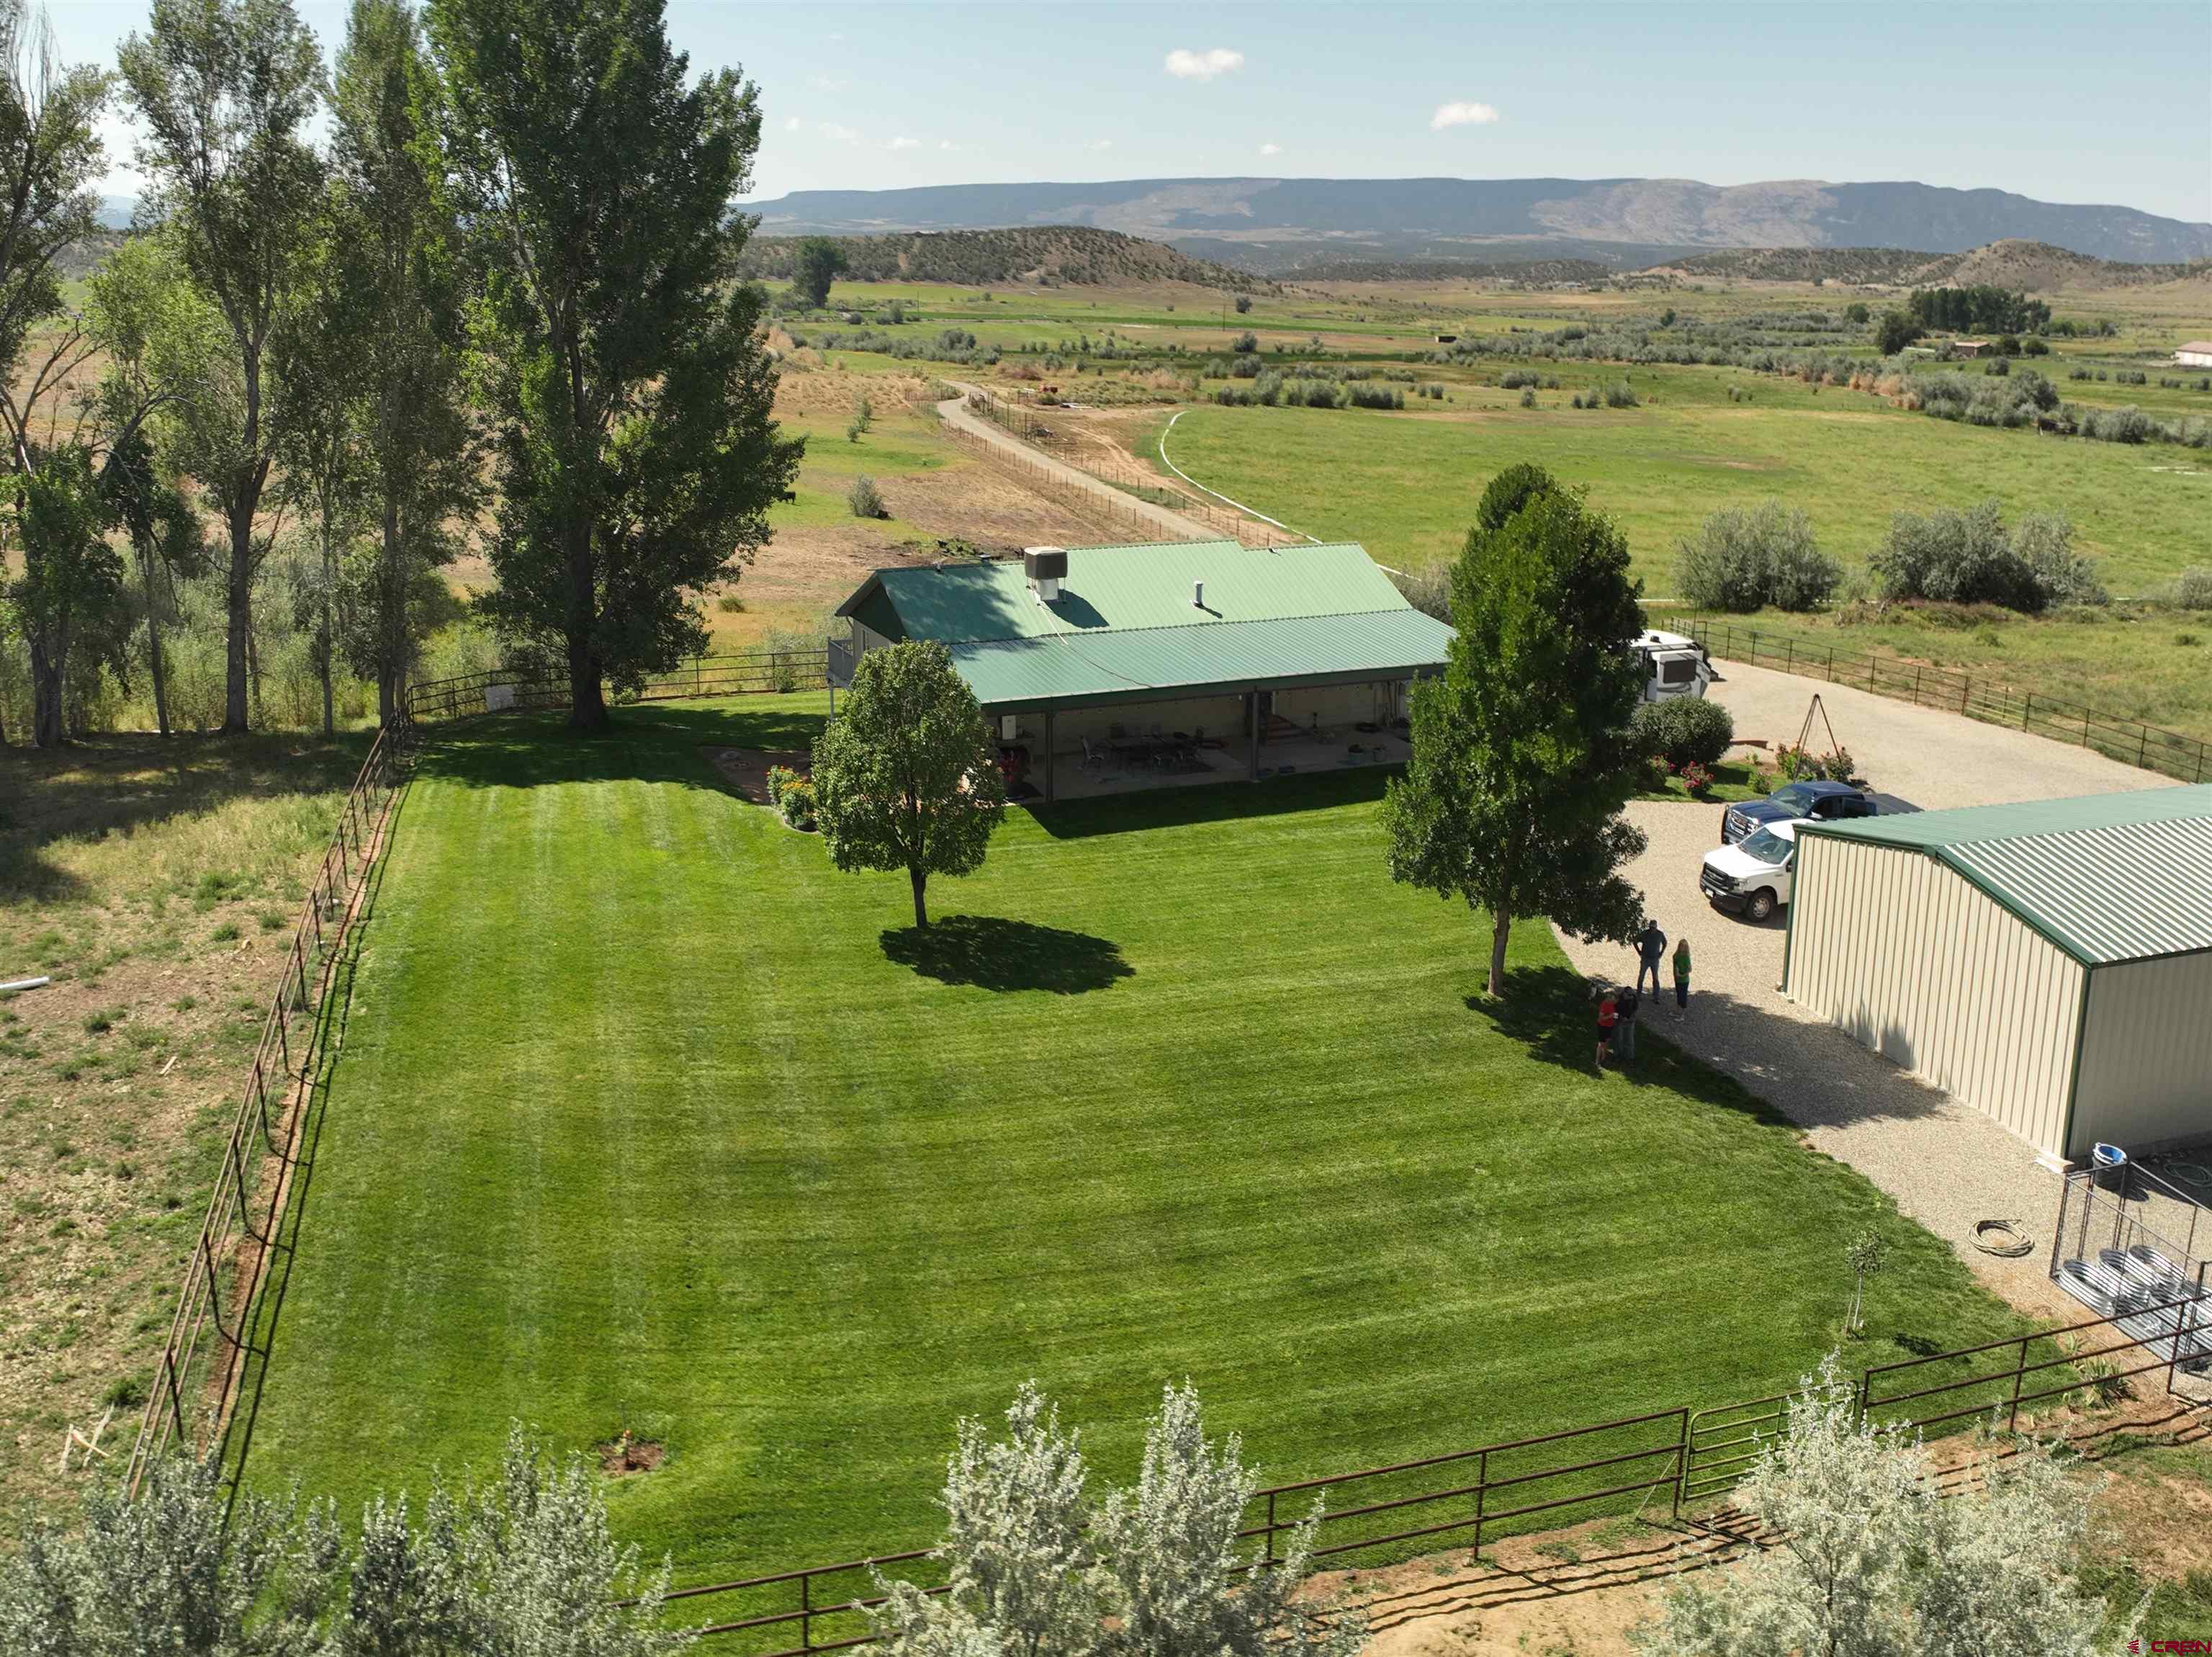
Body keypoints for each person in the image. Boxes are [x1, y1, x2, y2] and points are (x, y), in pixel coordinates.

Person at [1635, 919, 1668, 997]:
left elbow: (1665, 943)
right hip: (1645, 958)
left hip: (1655, 959)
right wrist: (1639, 951)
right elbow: (1635, 941)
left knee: (1655, 978)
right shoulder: (1644, 933)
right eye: (1651, 927)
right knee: (1641, 976)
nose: (1652, 929)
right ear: (1649, 927)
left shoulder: (1660, 934)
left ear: (1656, 927)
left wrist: (1661, 953)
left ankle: (1656, 996)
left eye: (1654, 928)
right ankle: (1639, 994)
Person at [1593, 984, 1619, 1071]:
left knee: (1607, 1043)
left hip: (1609, 1026)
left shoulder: (1613, 1005)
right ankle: (1597, 1061)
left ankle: (1604, 1059)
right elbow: (1601, 1018)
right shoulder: (1605, 1005)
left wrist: (1614, 1018)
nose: (1616, 1003)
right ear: (1611, 998)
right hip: (1602, 1026)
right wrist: (1610, 1016)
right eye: (1615, 1001)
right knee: (1601, 1044)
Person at [1616, 984, 1640, 1062]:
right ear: (1624, 993)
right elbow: (1614, 1012)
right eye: (1629, 995)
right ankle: (1618, 1056)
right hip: (1620, 1022)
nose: (1630, 997)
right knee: (1619, 1039)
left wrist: (1631, 1019)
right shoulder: (1619, 1000)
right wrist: (1620, 1018)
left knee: (1630, 1041)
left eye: (1632, 995)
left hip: (1630, 1023)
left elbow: (1635, 1011)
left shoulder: (1634, 999)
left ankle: (1630, 1058)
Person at [1672, 936, 1692, 1017]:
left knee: (1683, 996)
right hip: (1677, 979)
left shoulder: (1686, 957)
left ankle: (1682, 1014)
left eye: (1684, 946)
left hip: (1684, 980)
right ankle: (1677, 1011)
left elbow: (1690, 969)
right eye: (1681, 945)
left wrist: (1682, 975)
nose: (1682, 947)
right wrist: (1676, 975)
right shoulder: (1676, 956)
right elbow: (1675, 966)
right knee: (1678, 995)